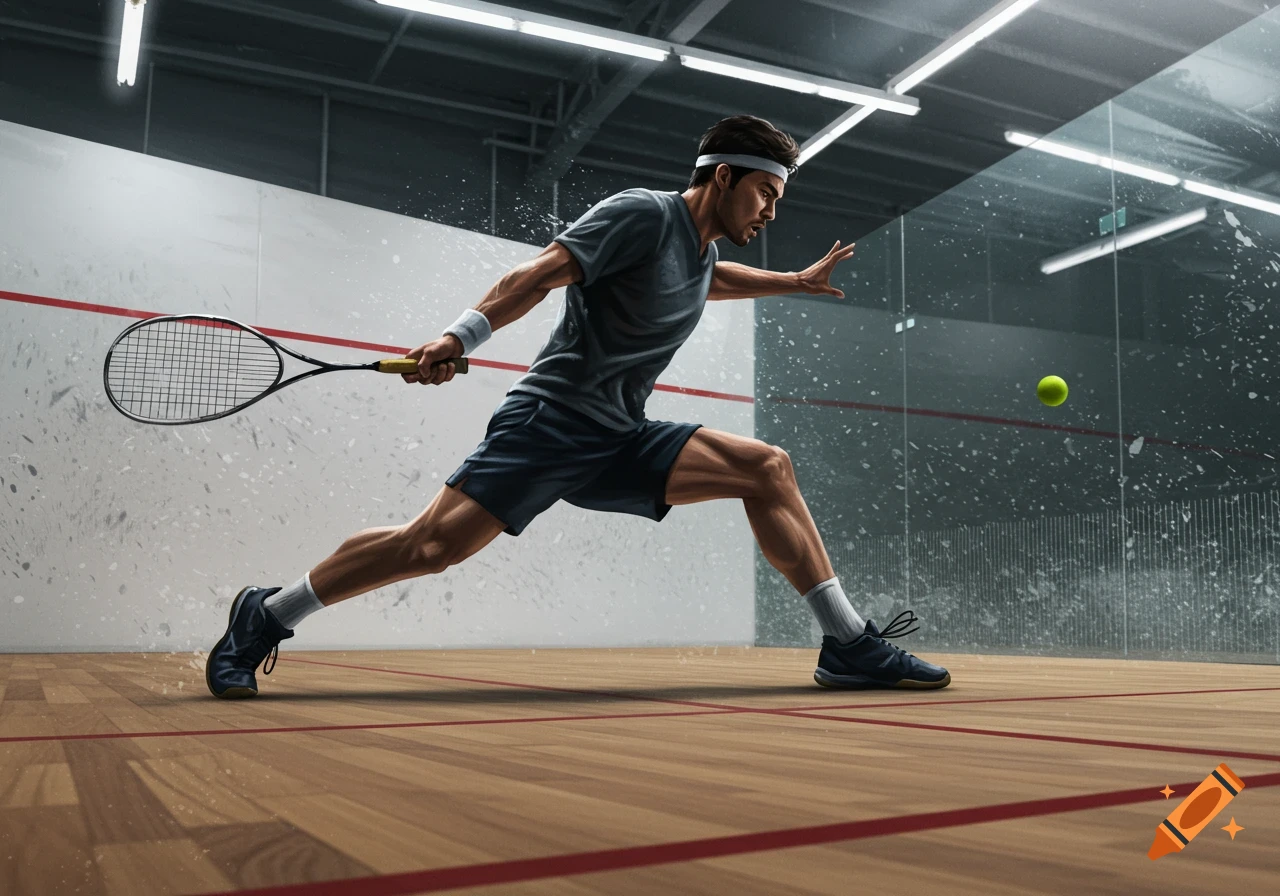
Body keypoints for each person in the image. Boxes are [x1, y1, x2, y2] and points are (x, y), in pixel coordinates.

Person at [204, 114, 951, 699]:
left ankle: (847, 644)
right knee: (429, 547)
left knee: (767, 468)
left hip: (620, 437)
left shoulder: (699, 254)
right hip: (551, 422)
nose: (771, 212)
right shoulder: (643, 215)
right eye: (766, 193)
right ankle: (268, 614)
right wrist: (458, 336)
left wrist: (793, 281)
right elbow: (539, 273)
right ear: (724, 176)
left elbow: (712, 281)